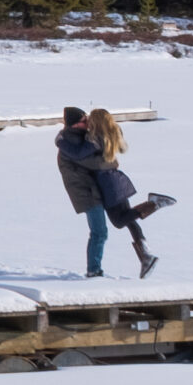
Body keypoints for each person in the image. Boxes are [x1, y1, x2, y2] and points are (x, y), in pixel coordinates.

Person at [84, 106, 177, 277]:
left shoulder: (95, 139)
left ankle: (155, 203)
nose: (87, 121)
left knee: (120, 221)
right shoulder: (109, 135)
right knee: (128, 218)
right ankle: (146, 256)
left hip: (108, 185)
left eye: (90, 118)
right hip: (115, 181)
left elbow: (83, 155)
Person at [54, 106, 116, 277]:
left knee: (104, 228)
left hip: (92, 189)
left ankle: (95, 269)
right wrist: (112, 163)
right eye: (84, 120)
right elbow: (92, 163)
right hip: (85, 192)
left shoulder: (78, 138)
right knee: (99, 231)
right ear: (75, 125)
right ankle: (94, 270)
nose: (88, 122)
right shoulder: (70, 143)